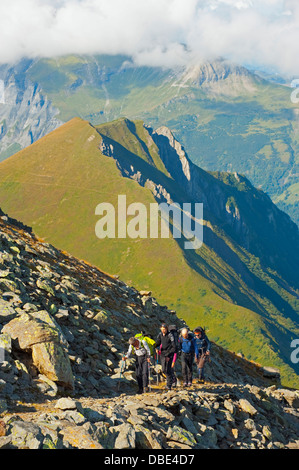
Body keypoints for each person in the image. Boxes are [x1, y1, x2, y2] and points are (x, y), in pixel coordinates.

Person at [155, 323, 176, 390]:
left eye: (164, 329)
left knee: (168, 369)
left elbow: (174, 347)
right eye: (162, 329)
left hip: (169, 354)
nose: (163, 330)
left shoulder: (170, 335)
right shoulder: (160, 335)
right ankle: (171, 381)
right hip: (163, 354)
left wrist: (168, 355)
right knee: (164, 370)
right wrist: (156, 347)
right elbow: (158, 343)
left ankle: (169, 385)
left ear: (167, 329)